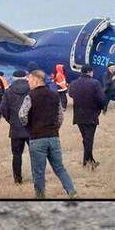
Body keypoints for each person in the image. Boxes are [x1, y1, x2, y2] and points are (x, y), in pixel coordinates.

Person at [20, 70, 76, 198]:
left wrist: (29, 127)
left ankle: (40, 196)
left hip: (37, 137)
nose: (28, 83)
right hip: (53, 137)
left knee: (38, 171)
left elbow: (22, 115)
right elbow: (60, 116)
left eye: (29, 80)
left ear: (35, 80)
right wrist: (54, 128)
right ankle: (71, 191)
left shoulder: (30, 96)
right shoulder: (54, 96)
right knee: (59, 168)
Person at [69, 66, 106, 169]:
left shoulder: (74, 83)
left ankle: (91, 160)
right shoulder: (95, 83)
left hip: (78, 115)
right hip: (91, 114)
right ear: (90, 72)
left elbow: (71, 94)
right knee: (89, 139)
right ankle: (86, 162)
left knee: (86, 138)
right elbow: (101, 99)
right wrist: (100, 108)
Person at [0, 69, 31, 184]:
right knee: (35, 154)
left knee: (16, 155)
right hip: (31, 127)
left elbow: (3, 109)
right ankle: (37, 176)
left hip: (16, 128)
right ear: (25, 77)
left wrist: (11, 120)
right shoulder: (31, 89)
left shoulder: (8, 92)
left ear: (13, 78)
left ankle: (17, 179)